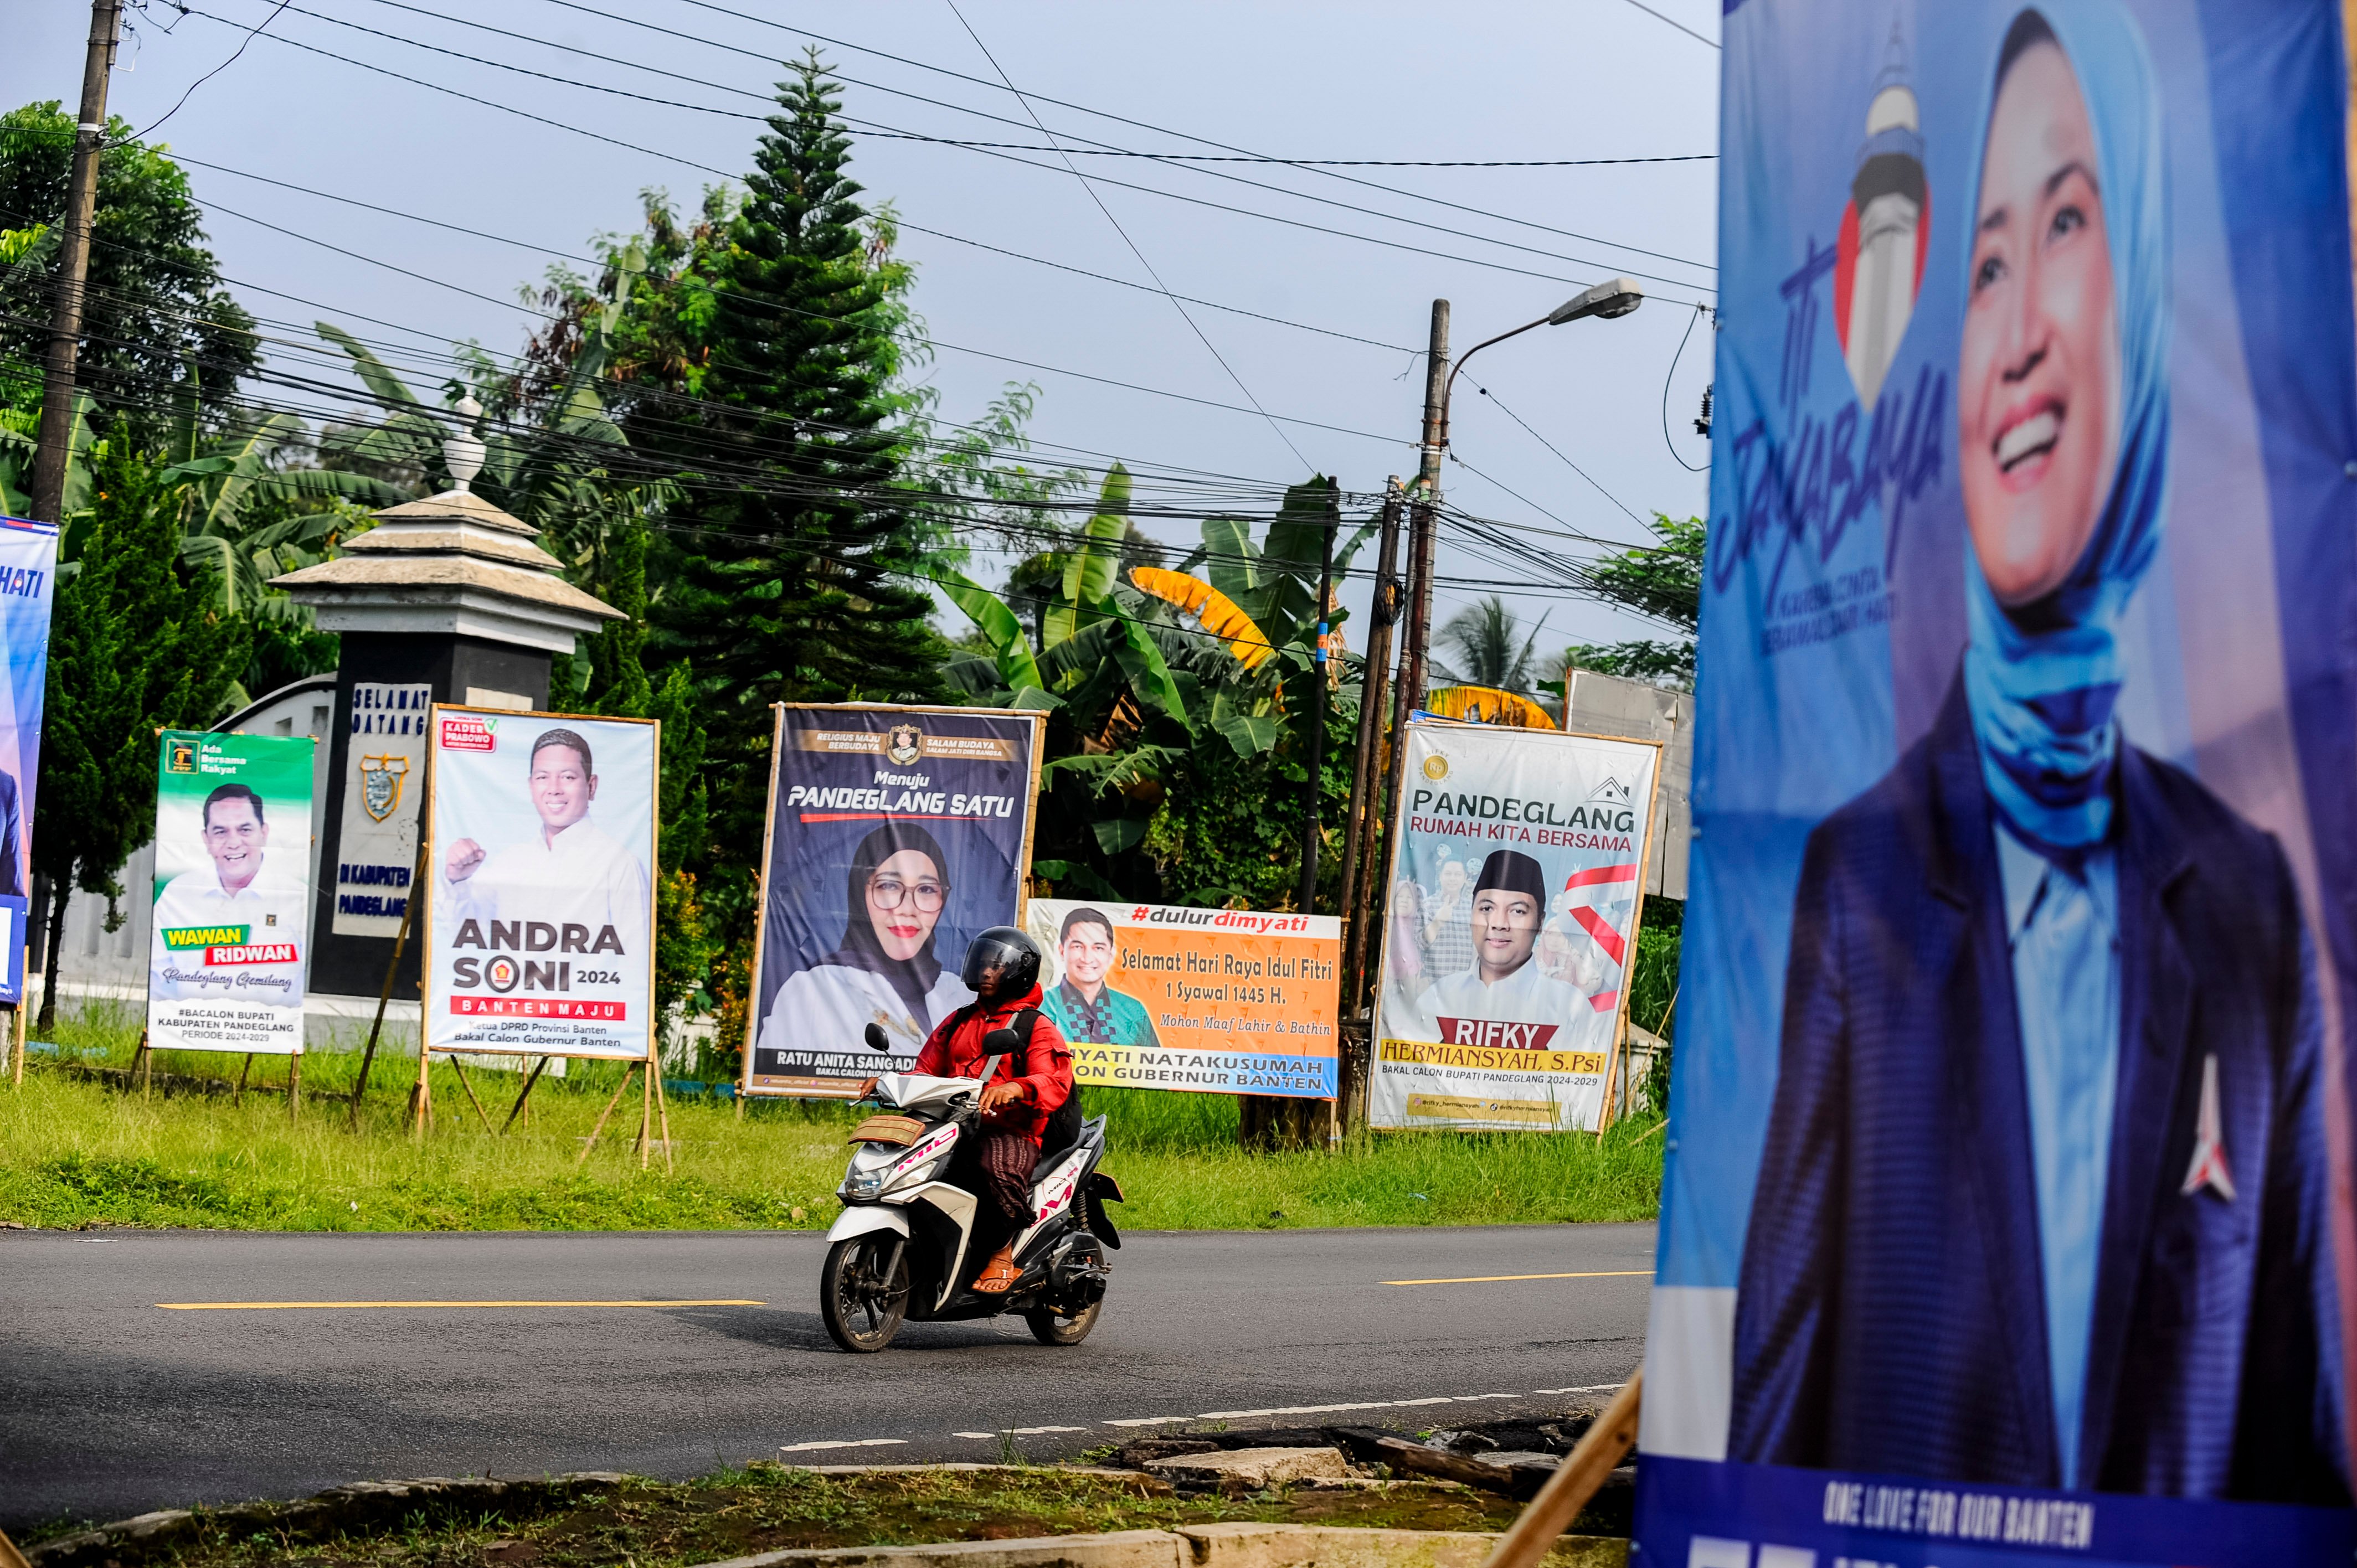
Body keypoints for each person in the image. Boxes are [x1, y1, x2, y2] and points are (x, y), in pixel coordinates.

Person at [1731, 7, 2345, 1503]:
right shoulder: (1861, 883)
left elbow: (2290, 1458)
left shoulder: (2251, 908)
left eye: (2067, 224)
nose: (2007, 333)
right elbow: (1769, 1438)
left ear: (2148, 319)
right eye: (1982, 261)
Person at [861, 927, 1074, 1294]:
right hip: (953, 1125)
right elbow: (925, 1070)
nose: (986, 973)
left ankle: (1002, 1254)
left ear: (1019, 972)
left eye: (997, 966)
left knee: (996, 1168)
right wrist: (890, 1081)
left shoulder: (1034, 1027)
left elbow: (1054, 1079)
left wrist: (1017, 1086)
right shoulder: (959, 1021)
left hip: (1011, 1130)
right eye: (983, 964)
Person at [759, 822, 973, 1065]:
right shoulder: (815, 989)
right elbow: (775, 1087)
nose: (907, 908)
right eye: (889, 886)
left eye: (926, 889)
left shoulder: (960, 995)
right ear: (860, 893)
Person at [440, 726, 650, 966]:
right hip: (513, 1001)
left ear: (591, 786)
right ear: (531, 787)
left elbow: (635, 961)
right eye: (543, 777)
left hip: (583, 1003)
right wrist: (457, 881)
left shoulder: (619, 865)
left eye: (568, 777)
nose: (554, 788)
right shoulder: (510, 862)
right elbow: (462, 937)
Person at [150, 783, 306, 1003]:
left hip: (269, 1031)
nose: (233, 843)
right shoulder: (178, 895)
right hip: (191, 1029)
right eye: (220, 832)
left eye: (245, 830)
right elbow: (160, 984)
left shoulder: (296, 899)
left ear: (264, 833)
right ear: (206, 840)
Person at [1409, 849, 1586, 1038]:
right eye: (1487, 908)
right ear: (1472, 916)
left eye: (1517, 911)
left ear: (1540, 923)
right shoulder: (1435, 999)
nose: (1499, 924)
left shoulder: (1569, 1006)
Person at [1041, 907, 1162, 1049]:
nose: (1087, 958)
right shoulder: (1043, 1006)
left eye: (1098, 948)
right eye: (1078, 947)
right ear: (1062, 951)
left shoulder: (1133, 1010)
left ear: (1111, 954)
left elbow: (1153, 1065)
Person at [1420, 853, 1474, 978]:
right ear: (1440, 876)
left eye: (1458, 875)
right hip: (1433, 983)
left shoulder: (1473, 908)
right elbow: (1419, 945)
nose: (1453, 879)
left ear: (1465, 878)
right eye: (1448, 874)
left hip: (1464, 982)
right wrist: (1437, 922)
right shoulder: (1426, 905)